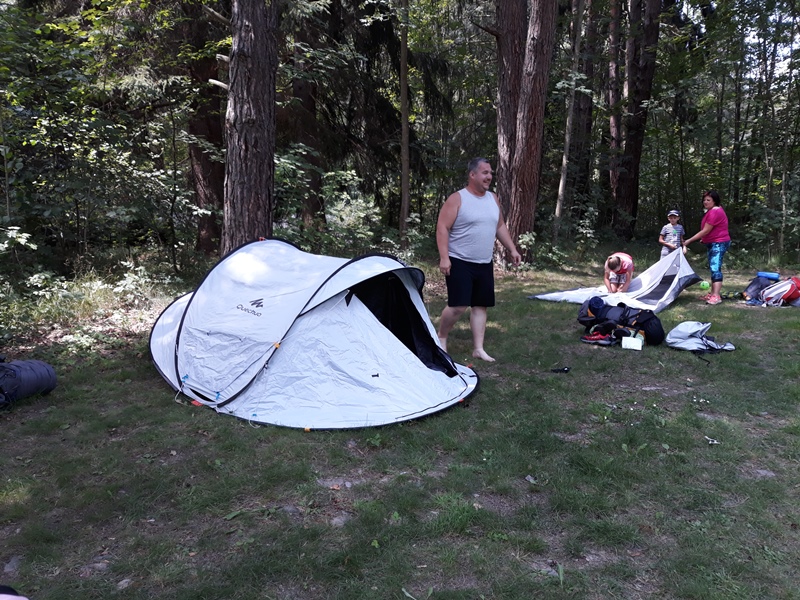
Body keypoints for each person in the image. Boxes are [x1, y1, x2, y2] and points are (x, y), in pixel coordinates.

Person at [436, 157, 522, 362]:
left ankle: (478, 348)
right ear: (472, 175)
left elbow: (499, 225)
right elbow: (442, 227)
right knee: (458, 306)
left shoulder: (493, 198)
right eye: (485, 173)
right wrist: (444, 257)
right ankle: (441, 337)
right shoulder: (457, 199)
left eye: (490, 173)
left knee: (480, 305)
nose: (489, 176)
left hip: (484, 262)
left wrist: (512, 249)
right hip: (459, 260)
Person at [683, 190, 730, 305]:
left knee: (715, 268)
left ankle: (716, 296)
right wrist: (705, 239)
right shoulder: (711, 211)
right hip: (713, 243)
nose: (705, 202)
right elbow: (711, 230)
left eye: (708, 200)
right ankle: (713, 293)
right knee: (713, 268)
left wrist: (689, 241)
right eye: (704, 200)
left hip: (718, 243)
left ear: (715, 201)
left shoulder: (715, 211)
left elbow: (705, 230)